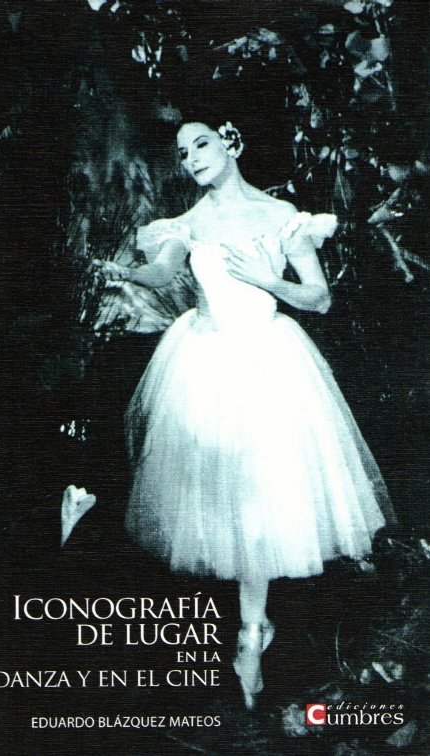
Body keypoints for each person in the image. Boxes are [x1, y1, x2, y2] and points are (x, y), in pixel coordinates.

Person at [100, 120, 393, 710]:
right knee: (227, 501)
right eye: (182, 151)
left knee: (262, 500)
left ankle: (251, 635)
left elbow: (320, 297)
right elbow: (164, 271)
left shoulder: (282, 216)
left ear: (231, 144)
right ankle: (252, 630)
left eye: (201, 143)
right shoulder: (188, 222)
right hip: (205, 362)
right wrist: (126, 271)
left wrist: (267, 279)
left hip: (270, 363)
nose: (190, 158)